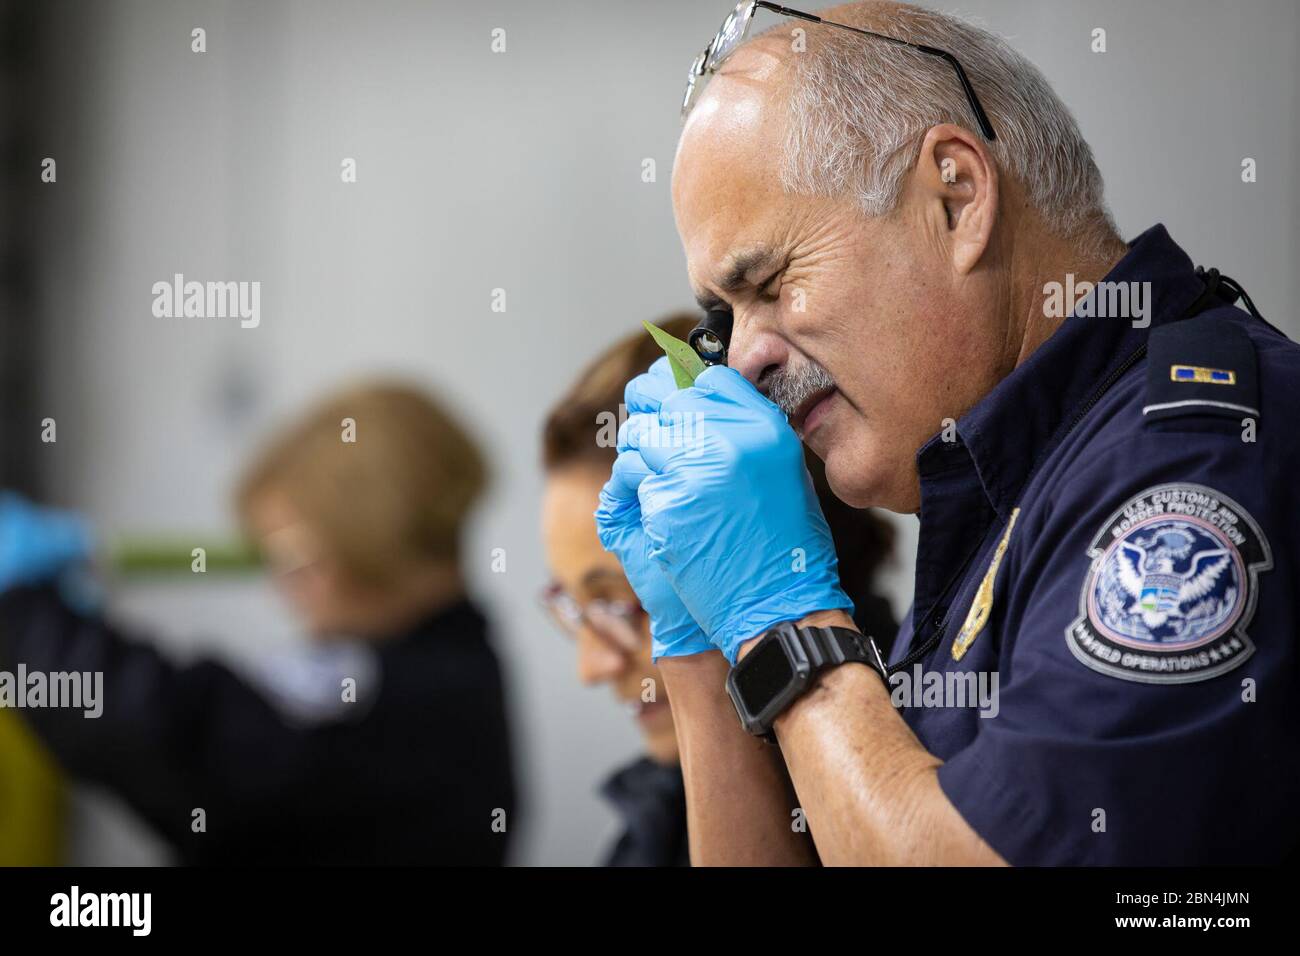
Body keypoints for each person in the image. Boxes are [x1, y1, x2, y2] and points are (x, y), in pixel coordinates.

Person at [597, 1, 1300, 865]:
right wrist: (705, 649)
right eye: (723, 314)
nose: (742, 361)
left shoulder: (1184, 467)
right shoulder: (1002, 481)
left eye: (771, 282)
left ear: (956, 198)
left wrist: (785, 625)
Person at [0, 382, 516, 864]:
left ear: (367, 545)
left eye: (297, 562)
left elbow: (182, 738)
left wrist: (23, 618)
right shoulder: (453, 667)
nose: (284, 590)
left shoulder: (412, 701)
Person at [540, 314, 894, 865]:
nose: (593, 667)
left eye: (611, 600)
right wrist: (695, 657)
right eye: (571, 608)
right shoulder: (655, 822)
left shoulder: (929, 734)